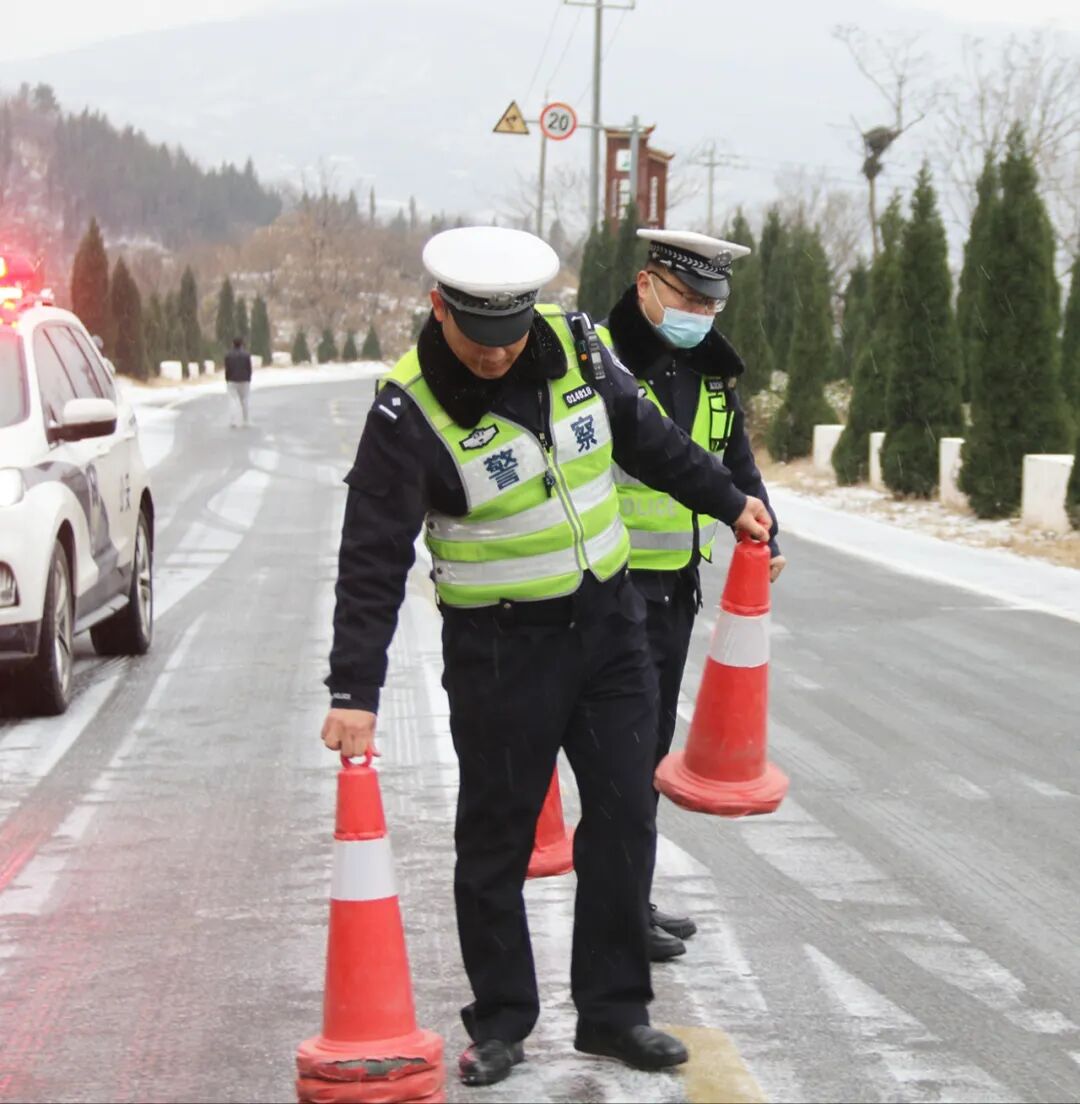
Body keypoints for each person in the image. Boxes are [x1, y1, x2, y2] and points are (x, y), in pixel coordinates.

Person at [320, 226, 773, 1088]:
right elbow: (370, 558)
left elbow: (648, 440)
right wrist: (354, 689)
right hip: (500, 651)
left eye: (511, 335)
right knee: (495, 838)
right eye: (478, 338)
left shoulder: (577, 348)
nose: (497, 355)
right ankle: (501, 1020)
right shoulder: (408, 410)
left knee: (624, 816)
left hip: (610, 630)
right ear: (439, 309)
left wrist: (729, 500)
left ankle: (614, 1013)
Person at [596, 229, 784, 961]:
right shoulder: (601, 363)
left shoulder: (710, 373)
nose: (700, 315)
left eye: (712, 304)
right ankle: (617, 915)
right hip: (609, 587)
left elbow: (733, 460)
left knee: (646, 755)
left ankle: (629, 901)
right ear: (647, 284)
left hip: (674, 587)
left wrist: (765, 529)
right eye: (688, 299)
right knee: (622, 760)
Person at [224, 336, 253, 427]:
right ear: (241, 344)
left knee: (232, 400)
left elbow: (227, 369)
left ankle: (233, 421)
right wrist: (248, 378)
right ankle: (246, 420)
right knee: (245, 400)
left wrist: (227, 378)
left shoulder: (228, 355)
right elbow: (249, 368)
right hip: (244, 380)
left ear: (233, 344)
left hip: (232, 380)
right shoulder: (246, 355)